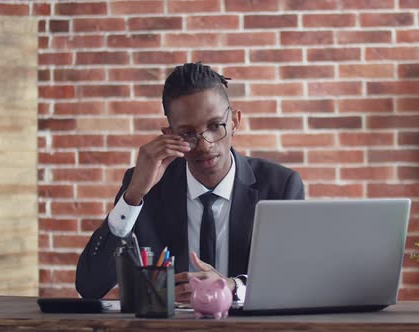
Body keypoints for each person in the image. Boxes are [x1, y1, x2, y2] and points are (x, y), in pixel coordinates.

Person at [75, 62, 304, 302]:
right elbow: (90, 286)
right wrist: (132, 198)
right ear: (169, 135)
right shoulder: (146, 187)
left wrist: (234, 287)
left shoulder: (280, 186)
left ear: (235, 122)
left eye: (216, 126)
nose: (205, 145)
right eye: (187, 133)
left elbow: (296, 281)